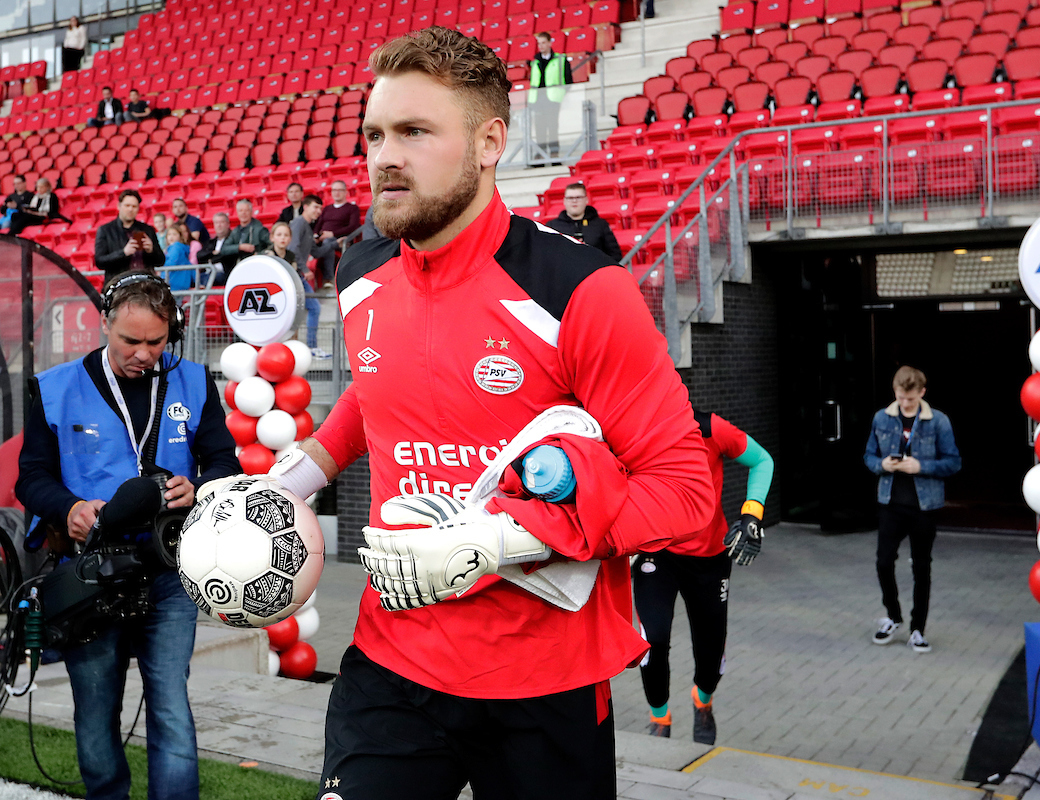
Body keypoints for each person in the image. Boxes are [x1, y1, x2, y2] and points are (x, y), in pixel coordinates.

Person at [232, 27, 712, 798]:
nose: (386, 156)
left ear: (490, 142)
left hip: (542, 687)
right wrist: (293, 479)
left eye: (415, 132)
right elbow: (383, 390)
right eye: (376, 135)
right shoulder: (359, 273)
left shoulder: (581, 290)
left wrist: (499, 539)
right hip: (391, 665)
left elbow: (687, 491)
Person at [15, 271, 240, 800]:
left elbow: (225, 461)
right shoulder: (55, 386)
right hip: (88, 575)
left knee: (170, 707)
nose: (144, 354)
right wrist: (68, 507)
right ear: (105, 326)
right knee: (94, 711)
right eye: (130, 341)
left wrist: (200, 486)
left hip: (168, 571)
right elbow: (31, 476)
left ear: (173, 334)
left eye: (156, 342)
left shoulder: (192, 381)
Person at [635, 409, 773, 744]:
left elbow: (763, 461)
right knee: (650, 640)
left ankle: (703, 700)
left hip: (710, 555)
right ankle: (660, 718)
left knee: (711, 652)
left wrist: (752, 513)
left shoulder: (709, 428)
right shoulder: (634, 428)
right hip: (657, 550)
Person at [863, 366, 961, 654]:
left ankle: (918, 629)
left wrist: (921, 467)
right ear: (895, 392)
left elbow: (953, 462)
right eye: (900, 397)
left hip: (924, 505)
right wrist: (882, 464)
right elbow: (869, 455)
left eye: (910, 399)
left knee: (921, 566)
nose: (905, 404)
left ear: (922, 392)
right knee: (883, 562)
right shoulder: (882, 417)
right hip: (890, 502)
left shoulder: (938, 421)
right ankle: (893, 616)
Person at [286, 201, 332, 360]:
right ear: (305, 207)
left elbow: (316, 252)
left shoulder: (307, 225)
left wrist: (334, 243)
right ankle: (309, 348)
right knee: (312, 308)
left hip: (297, 274)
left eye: (320, 208)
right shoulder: (299, 222)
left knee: (311, 309)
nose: (319, 211)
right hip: (294, 274)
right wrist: (304, 268)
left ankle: (308, 348)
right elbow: (293, 248)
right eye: (316, 207)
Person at [95, 189, 165, 281]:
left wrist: (151, 250)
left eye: (134, 206)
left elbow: (161, 261)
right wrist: (123, 253)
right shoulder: (105, 230)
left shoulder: (148, 229)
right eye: (127, 205)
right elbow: (100, 261)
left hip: (145, 285)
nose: (130, 209)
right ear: (119, 206)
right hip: (118, 287)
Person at [548, 182, 622, 262]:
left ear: (586, 200)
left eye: (578, 197)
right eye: (570, 198)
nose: (574, 201)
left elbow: (615, 255)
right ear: (564, 201)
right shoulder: (552, 226)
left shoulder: (600, 224)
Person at [528, 31, 573, 163]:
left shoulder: (560, 59)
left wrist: (561, 94)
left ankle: (554, 155)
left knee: (553, 127)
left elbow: (568, 80)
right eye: (539, 43)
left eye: (543, 43)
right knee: (540, 128)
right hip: (538, 99)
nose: (541, 46)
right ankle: (541, 156)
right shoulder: (534, 62)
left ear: (549, 43)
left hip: (553, 99)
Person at [312, 180, 360, 282]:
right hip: (322, 238)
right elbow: (318, 224)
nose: (336, 193)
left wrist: (332, 234)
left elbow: (353, 227)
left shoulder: (352, 208)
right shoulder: (327, 209)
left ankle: (328, 278)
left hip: (341, 239)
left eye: (340, 190)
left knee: (328, 242)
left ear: (345, 192)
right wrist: (315, 235)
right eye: (334, 190)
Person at [220, 199, 270, 268]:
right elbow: (224, 249)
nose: (243, 213)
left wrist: (259, 254)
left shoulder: (260, 229)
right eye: (240, 211)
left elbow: (271, 245)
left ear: (251, 212)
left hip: (258, 264)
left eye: (246, 210)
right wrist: (240, 247)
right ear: (237, 213)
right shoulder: (235, 231)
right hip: (240, 265)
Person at [196, 212, 237, 284]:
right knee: (195, 278)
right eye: (217, 223)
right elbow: (199, 255)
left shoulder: (233, 241)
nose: (219, 225)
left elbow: (227, 256)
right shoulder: (211, 242)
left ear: (228, 224)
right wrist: (212, 253)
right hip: (207, 273)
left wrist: (211, 259)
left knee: (211, 278)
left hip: (224, 274)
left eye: (222, 222)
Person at [163, 222, 195, 291]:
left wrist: (160, 265)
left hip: (173, 283)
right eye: (169, 234)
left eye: (174, 234)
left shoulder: (176, 247)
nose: (171, 237)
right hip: (182, 283)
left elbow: (171, 263)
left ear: (180, 236)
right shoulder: (182, 249)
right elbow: (190, 266)